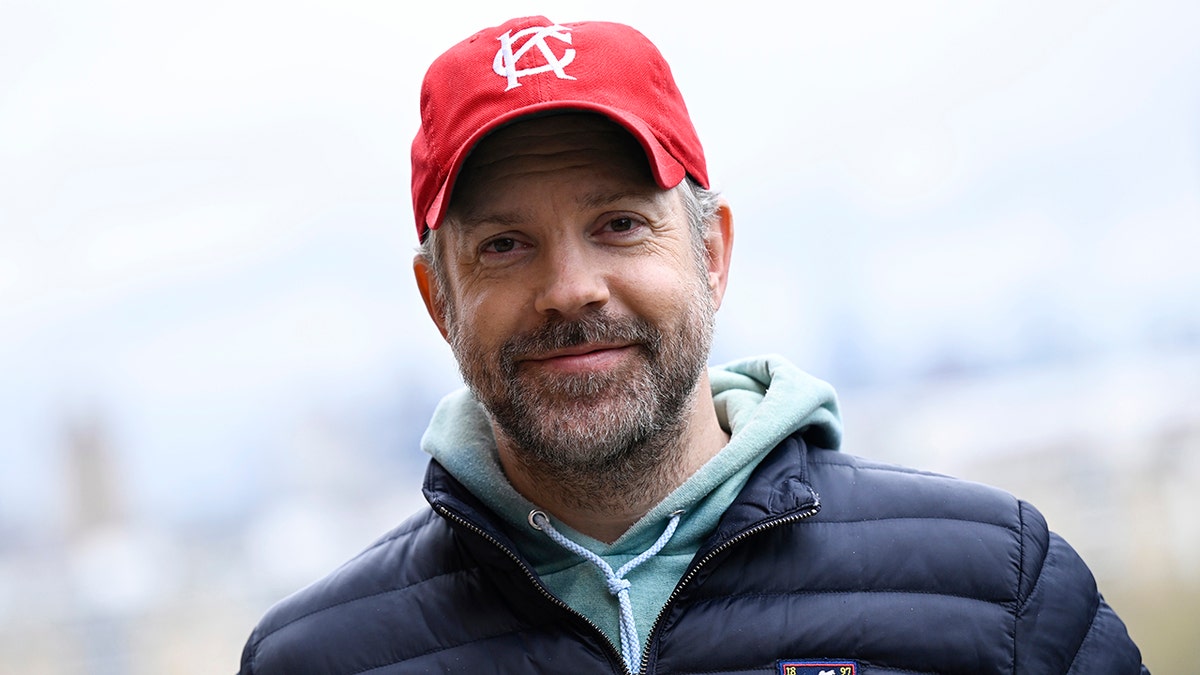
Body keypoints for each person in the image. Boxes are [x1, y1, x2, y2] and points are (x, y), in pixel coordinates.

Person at [237, 16, 1147, 675]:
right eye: (505, 245)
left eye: (621, 223)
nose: (570, 288)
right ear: (439, 298)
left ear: (712, 254)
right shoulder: (317, 659)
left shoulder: (999, 588)